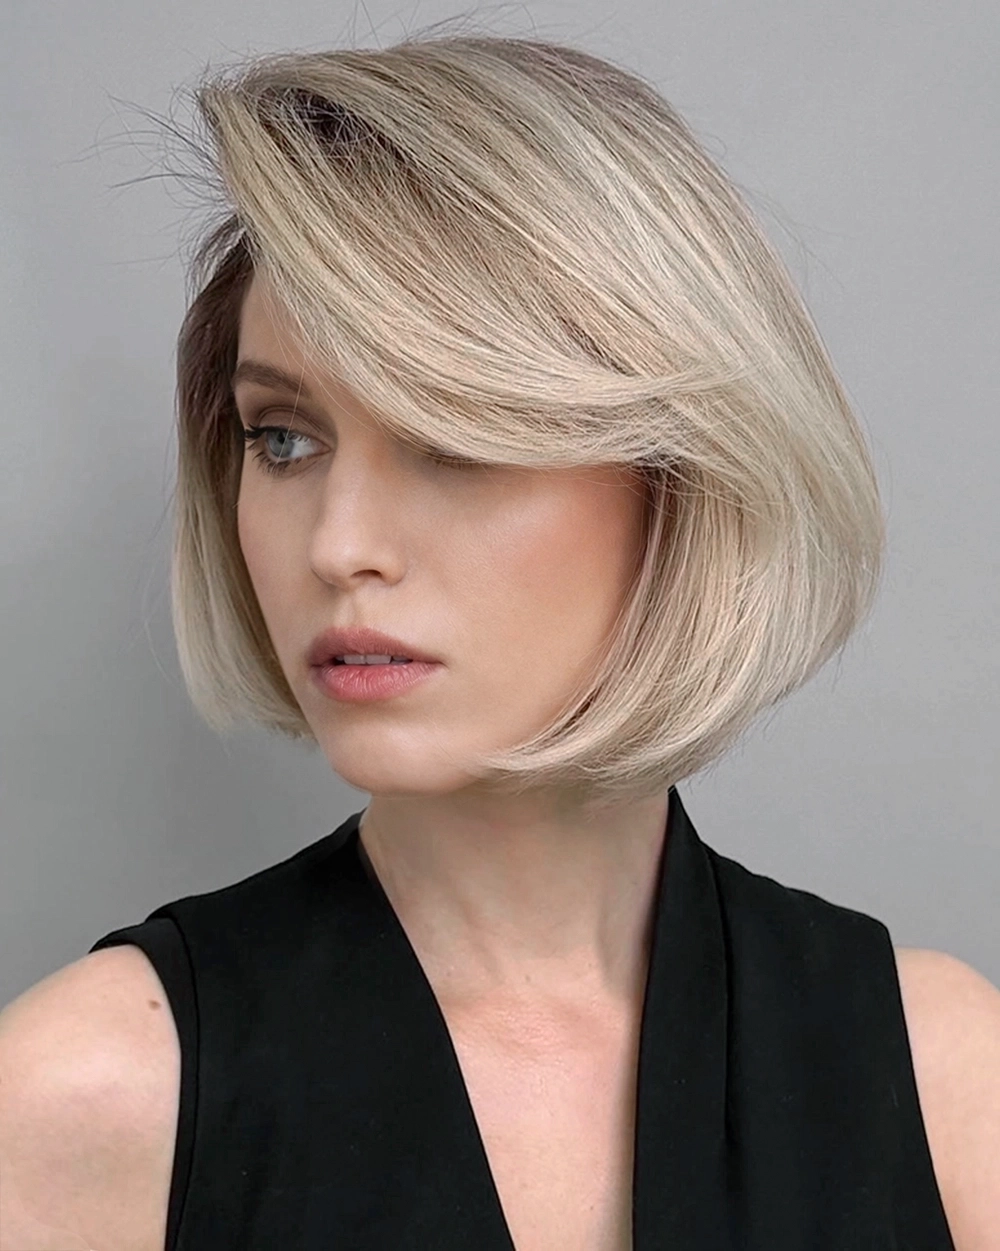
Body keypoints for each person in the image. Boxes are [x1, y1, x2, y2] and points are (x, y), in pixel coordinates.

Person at [1, 29, 997, 1251]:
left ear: (681, 477)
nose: (339, 545)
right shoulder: (86, 1101)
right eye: (283, 439)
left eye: (453, 436)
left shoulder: (945, 1081)